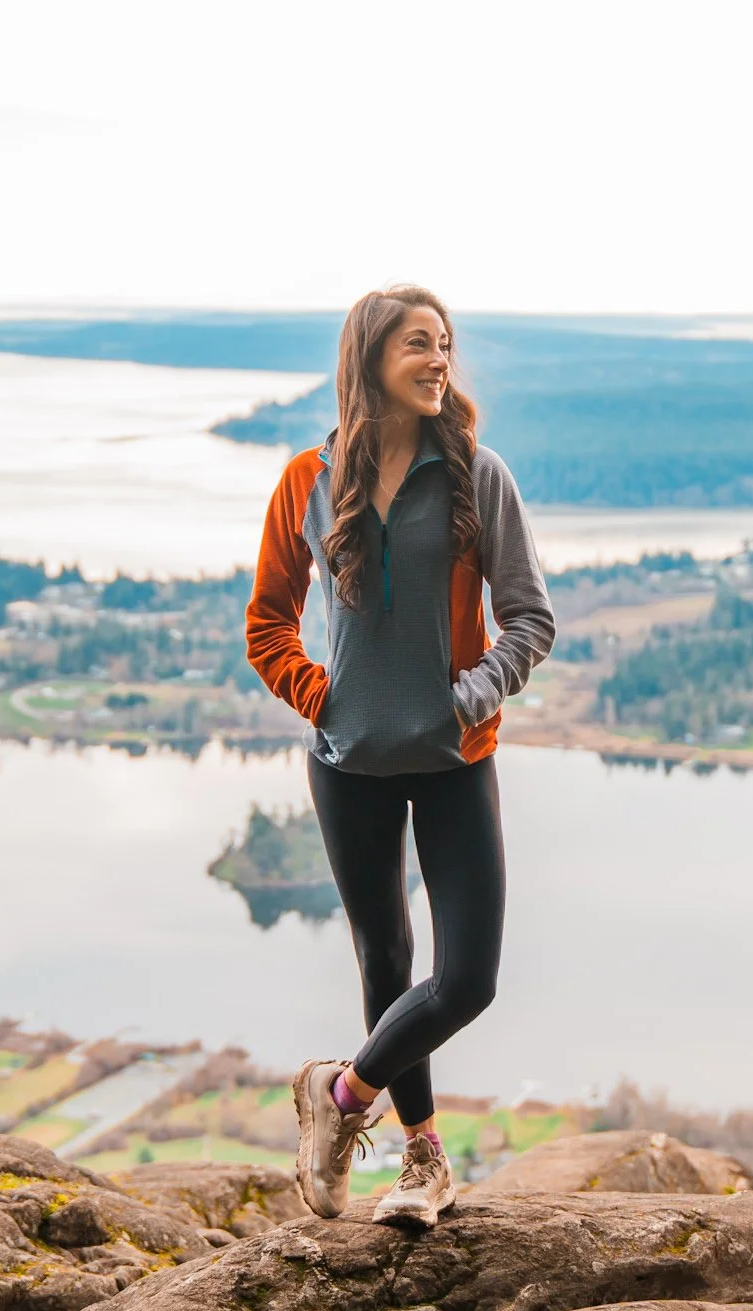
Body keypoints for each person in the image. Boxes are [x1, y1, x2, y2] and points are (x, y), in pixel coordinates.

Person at [244, 285, 556, 1228]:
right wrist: (321, 697)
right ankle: (423, 1161)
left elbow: (530, 621)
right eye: (420, 343)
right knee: (386, 959)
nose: (439, 360)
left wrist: (465, 698)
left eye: (447, 345)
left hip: (456, 759)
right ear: (370, 356)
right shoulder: (308, 479)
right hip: (347, 767)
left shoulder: (476, 474)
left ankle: (340, 1096)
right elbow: (267, 625)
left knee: (468, 979)